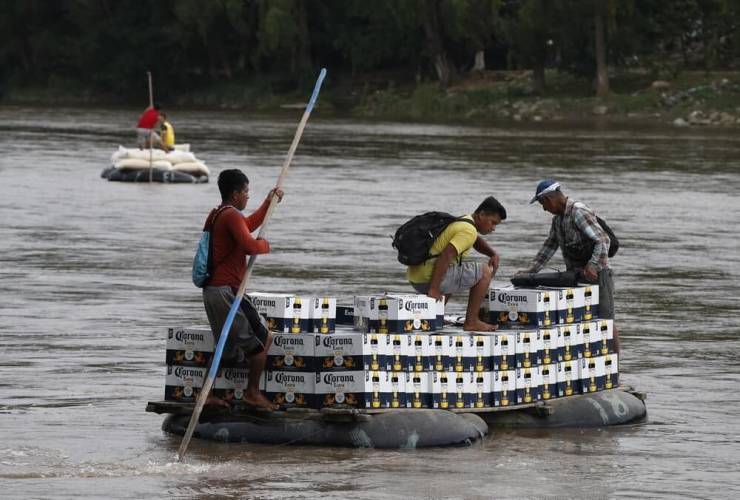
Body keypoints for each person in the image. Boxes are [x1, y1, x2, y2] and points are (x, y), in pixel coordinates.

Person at [201, 169, 284, 410]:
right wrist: (265, 245)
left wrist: (269, 202)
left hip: (214, 291)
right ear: (235, 193)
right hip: (226, 291)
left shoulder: (219, 214)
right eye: (246, 191)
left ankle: (206, 395)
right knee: (261, 341)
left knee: (224, 347)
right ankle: (252, 393)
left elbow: (248, 225)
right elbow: (249, 245)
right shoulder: (229, 216)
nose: (248, 196)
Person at [516, 179, 619, 352]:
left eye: (543, 204)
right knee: (582, 321)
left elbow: (603, 240)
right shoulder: (558, 220)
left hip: (598, 276)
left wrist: (593, 266)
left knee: (605, 321)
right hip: (575, 276)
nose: (544, 209)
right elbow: (550, 246)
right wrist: (531, 271)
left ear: (549, 199)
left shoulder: (579, 212)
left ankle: (614, 367)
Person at [407, 197, 507, 332]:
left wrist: (492, 254)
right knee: (484, 272)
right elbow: (446, 256)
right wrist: (434, 289)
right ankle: (472, 322)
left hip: (417, 277)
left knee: (458, 270)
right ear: (482, 215)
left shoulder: (464, 221)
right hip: (428, 281)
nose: (493, 228)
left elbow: (475, 240)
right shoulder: (468, 231)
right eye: (492, 222)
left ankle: (437, 315)